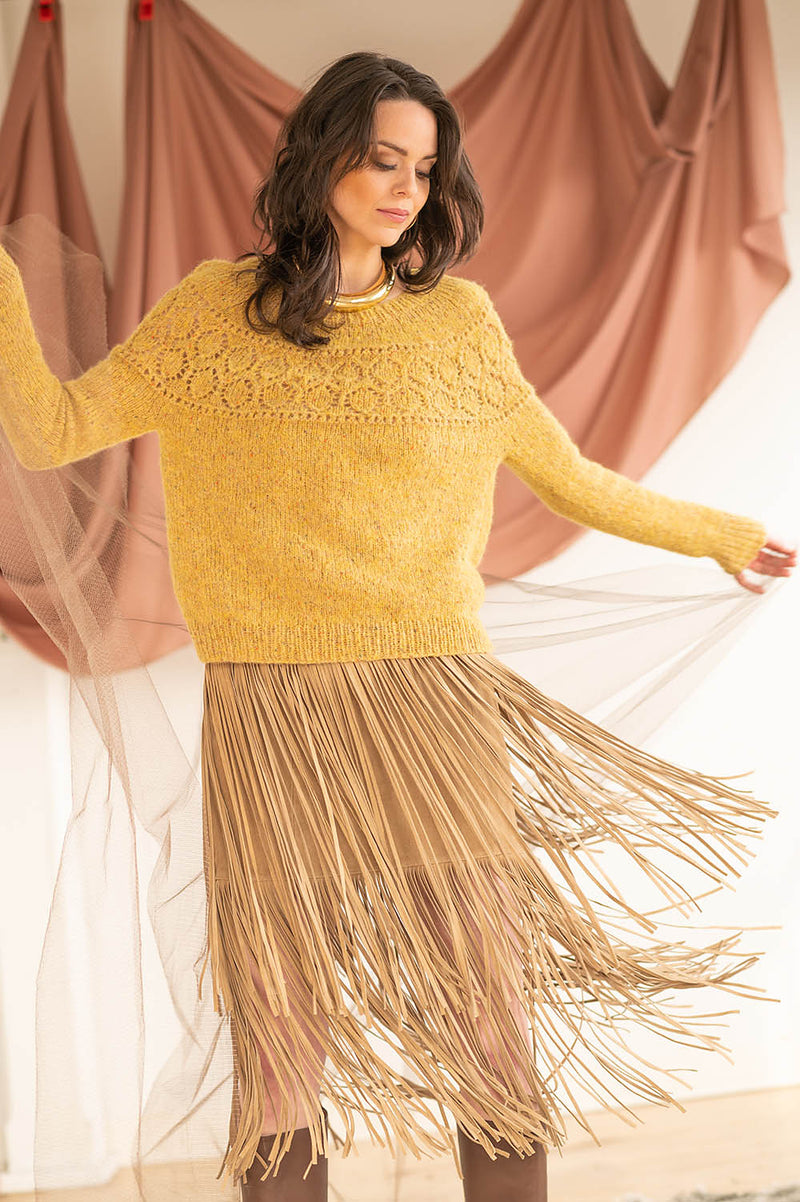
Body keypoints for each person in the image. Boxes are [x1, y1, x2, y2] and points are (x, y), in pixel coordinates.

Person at [0, 50, 795, 1202]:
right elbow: (52, 428)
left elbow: (568, 477)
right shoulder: (213, 313)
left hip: (435, 704)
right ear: (319, 157)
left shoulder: (458, 324)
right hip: (271, 710)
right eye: (381, 160)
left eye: (422, 170)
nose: (404, 190)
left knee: (487, 1013)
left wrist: (717, 532)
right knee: (279, 1031)